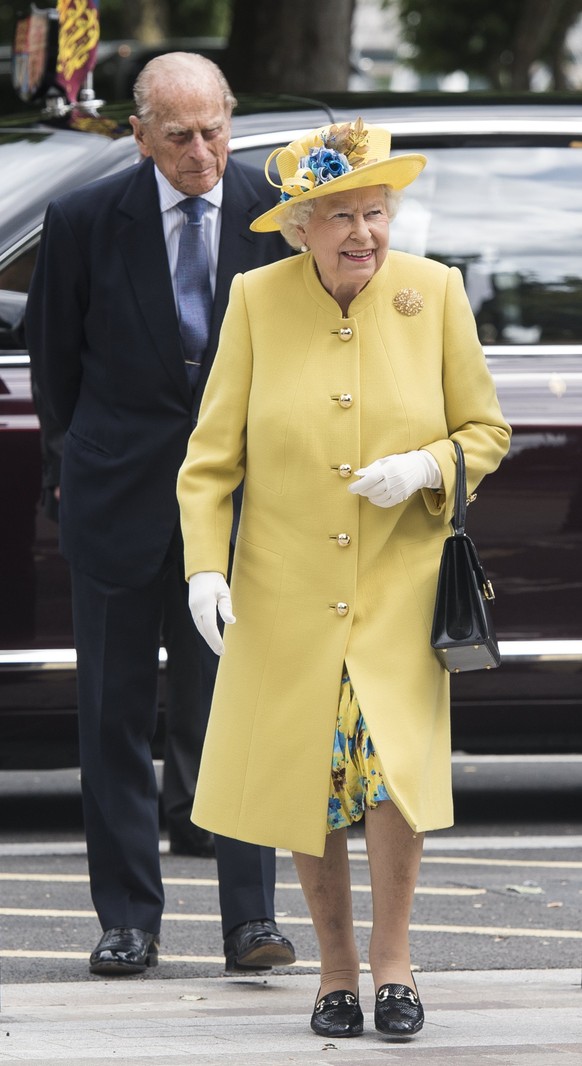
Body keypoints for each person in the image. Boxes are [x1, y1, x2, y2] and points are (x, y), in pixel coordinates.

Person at [177, 118, 511, 1038]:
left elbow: (486, 431)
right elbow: (211, 461)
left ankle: (396, 967)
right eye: (343, 217)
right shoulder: (254, 299)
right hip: (285, 591)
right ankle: (333, 973)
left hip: (399, 587)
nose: (364, 233)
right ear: (301, 227)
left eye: (377, 212)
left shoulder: (435, 293)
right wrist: (206, 568)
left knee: (393, 779)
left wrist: (426, 467)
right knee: (310, 778)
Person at [25, 52, 296, 977]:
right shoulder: (85, 218)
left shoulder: (278, 210)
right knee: (113, 715)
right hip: (119, 495)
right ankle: (128, 920)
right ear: (139, 134)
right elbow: (55, 365)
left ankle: (250, 922)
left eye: (214, 129)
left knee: (239, 713)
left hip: (247, 504)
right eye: (177, 136)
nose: (201, 152)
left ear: (231, 117)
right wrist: (82, 463)